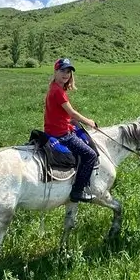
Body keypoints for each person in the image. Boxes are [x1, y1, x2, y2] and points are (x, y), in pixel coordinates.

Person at [44, 58, 98, 203]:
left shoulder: (55, 88)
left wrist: (71, 122)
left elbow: (64, 115)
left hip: (54, 129)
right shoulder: (58, 92)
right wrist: (89, 122)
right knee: (90, 154)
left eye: (68, 72)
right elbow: (73, 113)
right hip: (61, 135)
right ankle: (78, 191)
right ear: (55, 71)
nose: (66, 74)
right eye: (62, 71)